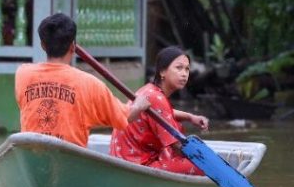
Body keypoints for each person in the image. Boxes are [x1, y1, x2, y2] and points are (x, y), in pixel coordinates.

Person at [15, 13, 148, 147]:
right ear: (73, 47)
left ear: (43, 45)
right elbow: (126, 116)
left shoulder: (23, 74)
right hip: (70, 157)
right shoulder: (90, 84)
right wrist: (139, 105)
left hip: (31, 151)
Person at [110, 46, 208, 175]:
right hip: (137, 165)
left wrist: (190, 117)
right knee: (202, 166)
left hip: (123, 158)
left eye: (187, 69)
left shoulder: (149, 90)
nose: (184, 74)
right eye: (179, 68)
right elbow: (178, 147)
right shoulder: (156, 98)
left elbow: (164, 113)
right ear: (162, 72)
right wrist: (203, 159)